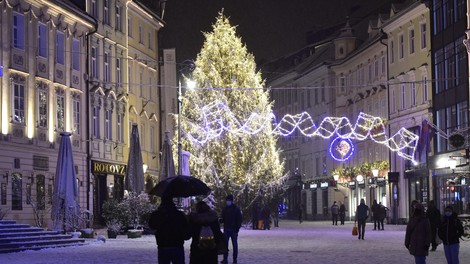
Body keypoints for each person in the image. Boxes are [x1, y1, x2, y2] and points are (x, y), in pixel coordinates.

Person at [148, 196, 191, 264]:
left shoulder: (157, 214)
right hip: (177, 244)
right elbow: (185, 227)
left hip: (163, 244)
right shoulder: (178, 214)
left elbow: (152, 225)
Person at [220, 194, 242, 264]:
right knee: (225, 245)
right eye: (227, 200)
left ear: (231, 201)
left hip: (233, 229)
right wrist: (221, 220)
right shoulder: (225, 209)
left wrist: (237, 228)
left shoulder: (236, 209)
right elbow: (223, 218)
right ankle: (225, 259)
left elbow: (239, 219)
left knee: (234, 245)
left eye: (229, 200)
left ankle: (234, 260)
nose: (228, 202)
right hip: (227, 229)